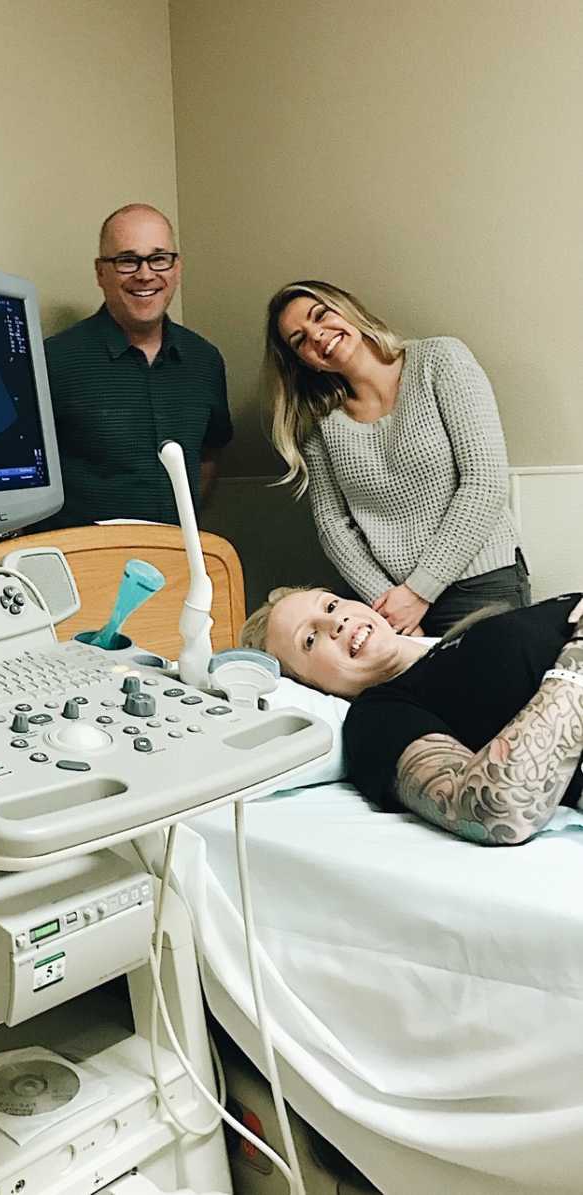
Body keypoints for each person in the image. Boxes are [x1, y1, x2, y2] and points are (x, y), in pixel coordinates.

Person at [265, 280, 529, 637]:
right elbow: (333, 527)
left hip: (482, 584)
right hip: (393, 606)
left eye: (321, 315)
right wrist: (389, 608)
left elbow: (484, 483)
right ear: (304, 362)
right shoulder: (318, 422)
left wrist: (420, 589)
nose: (317, 335)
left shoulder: (440, 360)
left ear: (348, 310)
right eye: (299, 340)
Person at [240, 585, 583, 846]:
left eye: (331, 605)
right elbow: (495, 808)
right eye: (310, 639)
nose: (336, 621)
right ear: (307, 684)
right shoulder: (377, 715)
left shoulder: (468, 634)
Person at [35, 203, 233, 529]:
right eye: (127, 260)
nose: (145, 274)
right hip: (82, 564)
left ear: (177, 268)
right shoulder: (54, 361)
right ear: (101, 272)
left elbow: (209, 454)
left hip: (178, 556)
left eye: (158, 259)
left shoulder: (205, 361)